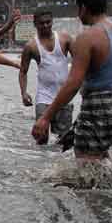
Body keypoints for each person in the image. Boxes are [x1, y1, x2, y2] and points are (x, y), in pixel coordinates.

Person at [31, 0, 112, 189]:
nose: (78, 14)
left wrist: (46, 117)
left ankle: (100, 210)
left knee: (86, 168)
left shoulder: (86, 38)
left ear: (83, 8)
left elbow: (73, 83)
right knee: (100, 152)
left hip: (98, 108)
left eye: (78, 8)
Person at [19, 8, 75, 143]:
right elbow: (23, 72)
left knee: (64, 141)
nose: (45, 26)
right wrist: (24, 93)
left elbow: (79, 62)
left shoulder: (65, 39)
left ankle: (56, 164)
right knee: (41, 138)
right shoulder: (31, 46)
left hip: (64, 97)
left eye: (48, 22)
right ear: (35, 24)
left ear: (52, 22)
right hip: (43, 98)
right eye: (41, 23)